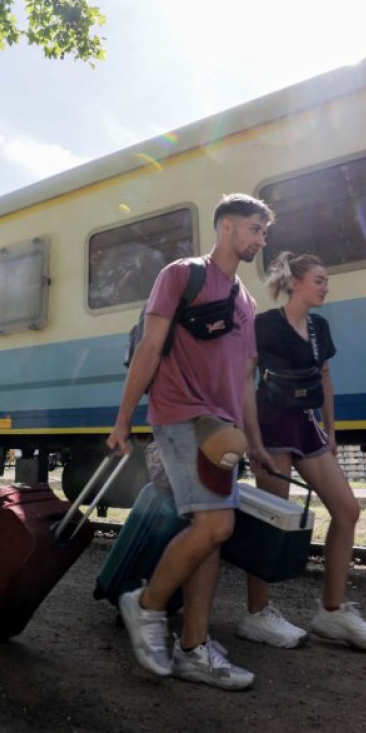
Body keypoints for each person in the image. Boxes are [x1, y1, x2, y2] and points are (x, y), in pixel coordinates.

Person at [107, 193, 276, 691]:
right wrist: (123, 420)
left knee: (211, 533)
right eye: (253, 230)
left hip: (223, 429)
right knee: (215, 525)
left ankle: (194, 648)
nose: (260, 241)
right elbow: (150, 347)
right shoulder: (182, 275)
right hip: (182, 415)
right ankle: (147, 604)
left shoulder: (246, 301)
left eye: (264, 233)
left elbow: (245, 379)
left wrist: (255, 440)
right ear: (226, 228)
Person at [242, 251, 366, 651]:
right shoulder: (265, 325)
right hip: (272, 426)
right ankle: (257, 615)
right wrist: (252, 441)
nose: (326, 287)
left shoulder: (320, 328)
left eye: (326, 280)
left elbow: (325, 379)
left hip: (307, 427)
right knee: (272, 521)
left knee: (347, 509)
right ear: (296, 282)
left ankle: (332, 612)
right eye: (319, 280)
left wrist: (331, 431)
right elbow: (245, 379)